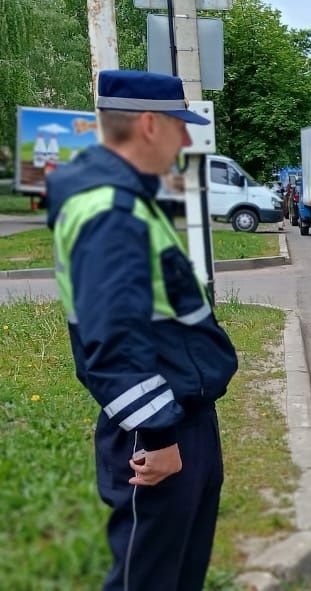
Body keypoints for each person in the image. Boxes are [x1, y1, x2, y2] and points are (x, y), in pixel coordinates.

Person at [45, 70, 237, 591]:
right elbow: (111, 348)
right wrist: (159, 435)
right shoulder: (109, 210)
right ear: (151, 125)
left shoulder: (123, 198)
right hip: (156, 433)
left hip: (180, 417)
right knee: (149, 578)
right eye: (181, 127)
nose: (185, 141)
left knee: (174, 573)